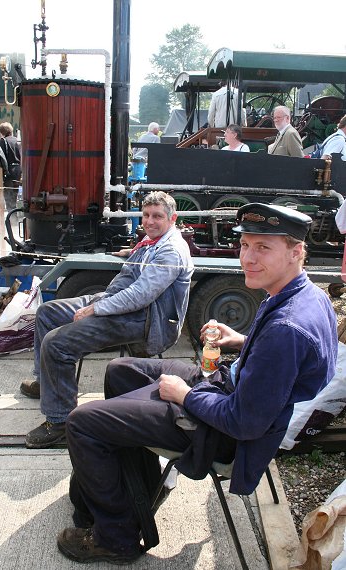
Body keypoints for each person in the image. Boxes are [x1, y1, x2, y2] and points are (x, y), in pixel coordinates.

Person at [56, 202, 338, 565]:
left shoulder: (287, 329)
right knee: (120, 371)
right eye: (245, 245)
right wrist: (240, 340)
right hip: (230, 390)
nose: (248, 258)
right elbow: (290, 360)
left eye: (263, 248)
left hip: (228, 434)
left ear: (296, 252)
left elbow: (243, 421)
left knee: (82, 423)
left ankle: (117, 537)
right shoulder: (306, 294)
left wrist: (185, 395)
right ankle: (136, 489)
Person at [22, 191, 194, 448]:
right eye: (146, 215)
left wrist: (96, 308)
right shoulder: (154, 239)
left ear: (172, 218)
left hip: (146, 319)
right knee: (47, 313)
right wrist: (130, 252)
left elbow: (140, 295)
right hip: (122, 304)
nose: (149, 222)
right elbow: (145, 257)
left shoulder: (171, 250)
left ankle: (59, 422)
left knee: (57, 343)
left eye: (157, 216)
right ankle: (47, 383)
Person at [0, 122, 22, 222]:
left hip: (8, 171)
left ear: (2, 132)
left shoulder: (3, 141)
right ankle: (14, 218)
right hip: (18, 170)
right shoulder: (18, 141)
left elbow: (1, 158)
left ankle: (12, 219)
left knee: (8, 197)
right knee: (15, 195)